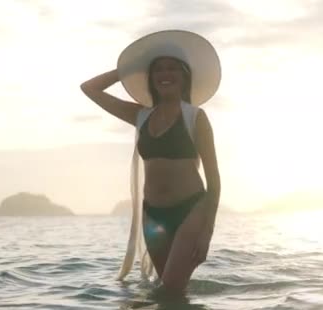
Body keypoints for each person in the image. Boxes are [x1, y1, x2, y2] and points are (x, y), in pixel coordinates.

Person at [80, 30, 221, 294]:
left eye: (172, 69)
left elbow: (214, 180)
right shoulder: (140, 116)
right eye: (158, 70)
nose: (165, 74)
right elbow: (89, 88)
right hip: (153, 216)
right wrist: (128, 68)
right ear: (151, 78)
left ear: (184, 76)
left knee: (169, 291)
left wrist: (207, 232)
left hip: (190, 211)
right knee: (167, 292)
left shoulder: (196, 118)